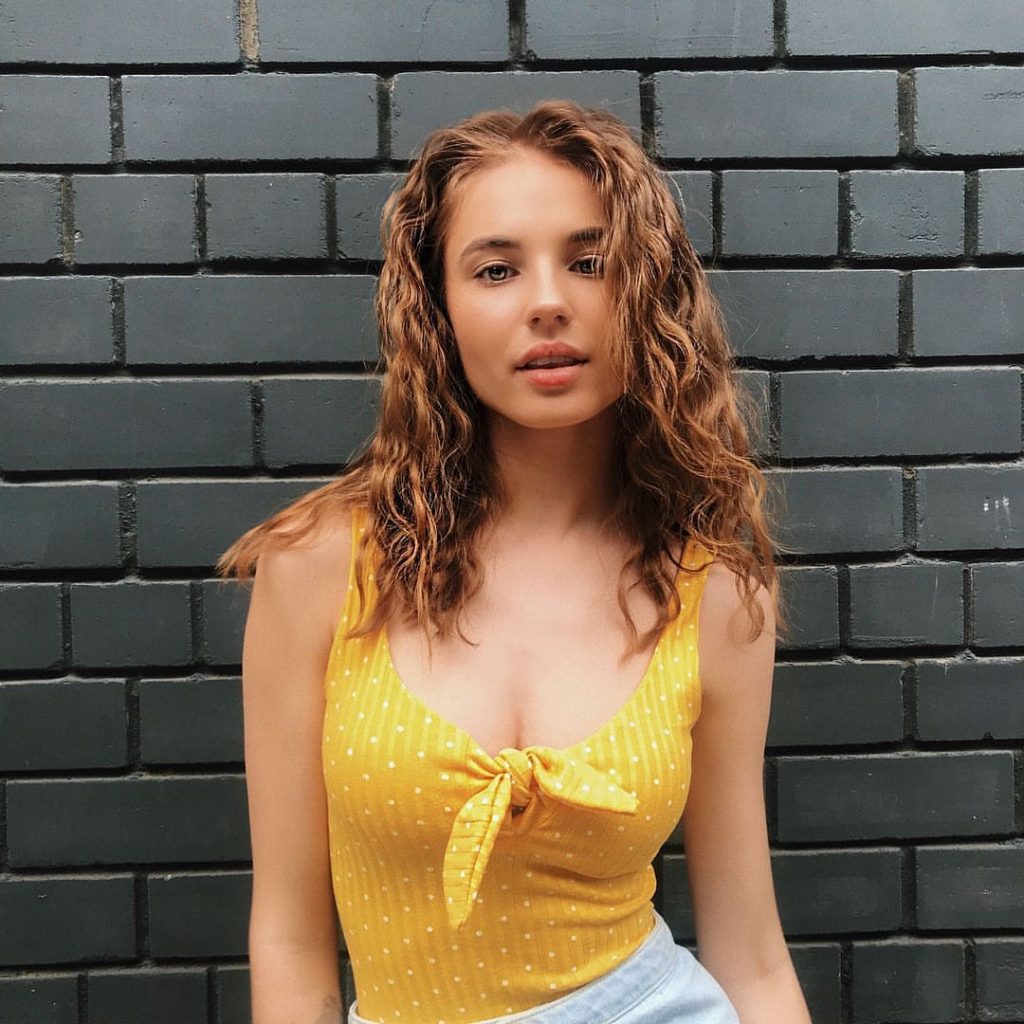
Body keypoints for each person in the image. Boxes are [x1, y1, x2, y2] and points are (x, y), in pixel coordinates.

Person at [216, 97, 811, 1024]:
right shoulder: (320, 567)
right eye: (495, 269)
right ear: (438, 307)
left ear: (645, 292)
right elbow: (291, 941)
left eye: (590, 262)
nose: (547, 301)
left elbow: (752, 953)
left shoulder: (717, 591)